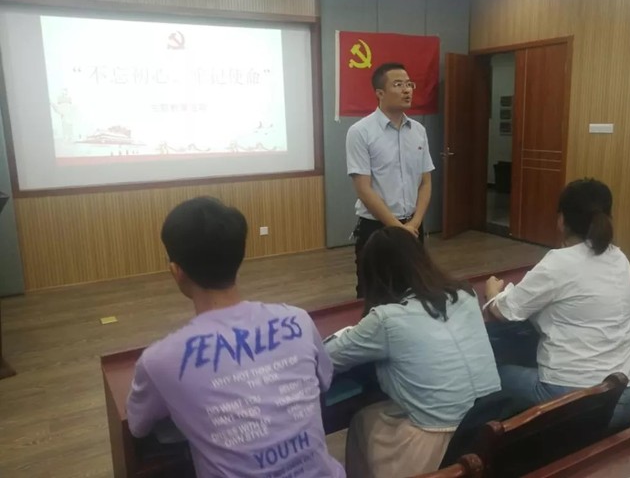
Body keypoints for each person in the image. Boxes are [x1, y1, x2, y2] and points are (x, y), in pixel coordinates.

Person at [126, 197, 344, 478]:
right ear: (239, 257)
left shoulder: (159, 361)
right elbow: (325, 379)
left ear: (176, 272)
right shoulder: (298, 320)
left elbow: (138, 426)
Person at [325, 227, 501, 478]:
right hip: (489, 420)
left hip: (437, 441)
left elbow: (326, 357)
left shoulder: (386, 319)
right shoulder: (465, 293)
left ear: (375, 274)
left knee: (362, 420)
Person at [485, 178, 630, 429]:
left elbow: (504, 311)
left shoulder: (559, 263)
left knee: (492, 375)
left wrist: (493, 293)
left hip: (578, 404)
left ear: (561, 220)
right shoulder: (619, 257)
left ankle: (503, 443)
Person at [346, 62, 435, 297]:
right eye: (398, 84)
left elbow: (425, 182)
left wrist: (414, 224)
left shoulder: (418, 131)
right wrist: (397, 228)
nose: (407, 90)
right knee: (374, 295)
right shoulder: (360, 132)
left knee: (414, 291)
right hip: (377, 229)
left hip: (413, 226)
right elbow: (363, 188)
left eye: (409, 84)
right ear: (380, 93)